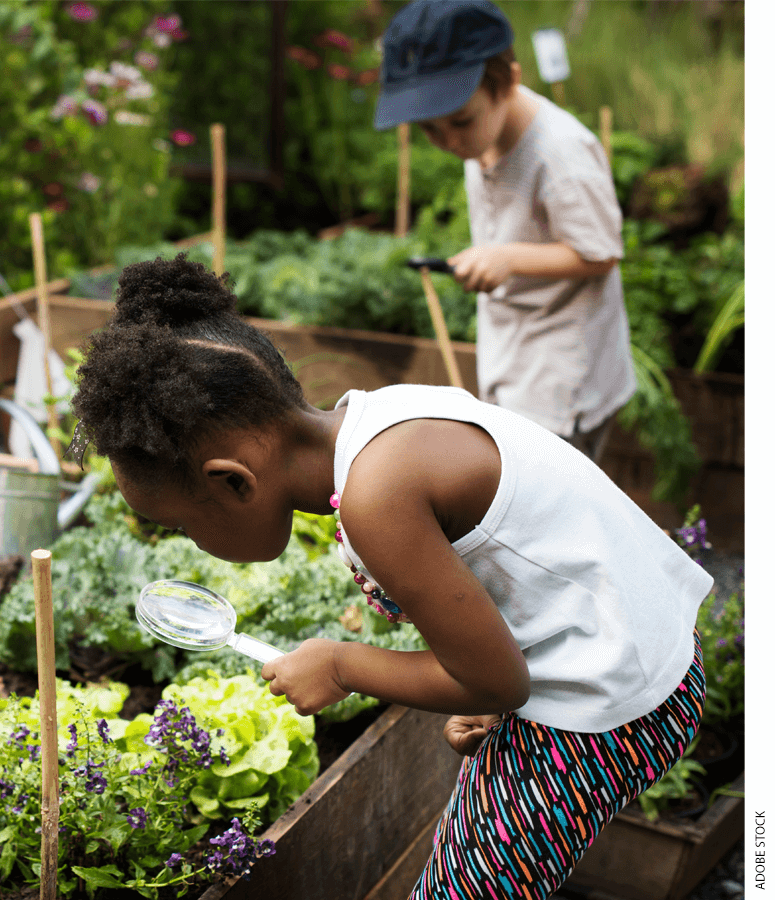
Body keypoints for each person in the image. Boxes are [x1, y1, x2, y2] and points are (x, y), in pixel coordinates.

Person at [69, 255, 711, 897]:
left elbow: (495, 679)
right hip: (639, 650)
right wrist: (495, 703)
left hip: (608, 702)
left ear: (233, 481)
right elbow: (507, 619)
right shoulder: (379, 419)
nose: (194, 543)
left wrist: (343, 665)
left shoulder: (378, 499)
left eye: (183, 525)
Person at [374, 0, 635, 461]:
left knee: (548, 507)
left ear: (508, 82)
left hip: (563, 376)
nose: (450, 141)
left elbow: (602, 253)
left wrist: (508, 258)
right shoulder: (484, 134)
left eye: (460, 121)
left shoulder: (561, 155)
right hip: (514, 354)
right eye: (429, 130)